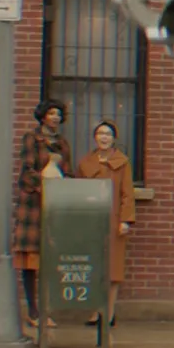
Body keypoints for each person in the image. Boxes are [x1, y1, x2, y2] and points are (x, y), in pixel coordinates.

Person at [11, 98, 73, 328]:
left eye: (58, 114)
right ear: (43, 116)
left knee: (51, 259)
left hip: (55, 205)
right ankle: (33, 311)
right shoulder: (32, 139)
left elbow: (68, 171)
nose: (55, 117)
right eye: (51, 113)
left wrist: (67, 189)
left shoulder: (63, 144)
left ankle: (46, 308)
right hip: (34, 206)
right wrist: (44, 185)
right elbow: (27, 171)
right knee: (31, 259)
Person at [76, 120, 137, 326]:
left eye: (108, 134)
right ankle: (95, 312)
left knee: (112, 269)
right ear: (95, 137)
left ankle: (109, 313)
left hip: (113, 221)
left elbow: (127, 193)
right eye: (100, 133)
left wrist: (125, 220)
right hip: (91, 221)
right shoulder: (85, 163)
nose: (104, 137)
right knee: (93, 267)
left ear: (114, 138)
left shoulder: (122, 162)